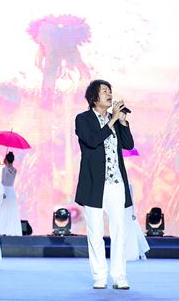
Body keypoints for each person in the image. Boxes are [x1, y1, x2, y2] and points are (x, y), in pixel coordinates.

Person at [74, 79, 134, 290]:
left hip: (116, 182)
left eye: (110, 91)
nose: (109, 94)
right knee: (95, 231)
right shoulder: (83, 119)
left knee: (119, 231)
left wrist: (122, 121)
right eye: (105, 91)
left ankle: (119, 275)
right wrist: (112, 120)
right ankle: (99, 276)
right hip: (94, 184)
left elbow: (129, 145)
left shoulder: (115, 119)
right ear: (94, 97)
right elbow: (92, 141)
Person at [0, 152, 22, 236]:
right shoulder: (15, 170)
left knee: (3, 210)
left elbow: (3, 182)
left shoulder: (4, 169)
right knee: (11, 211)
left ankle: (2, 230)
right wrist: (6, 163)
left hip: (5, 190)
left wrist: (5, 164)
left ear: (6, 159)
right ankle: (11, 230)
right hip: (11, 191)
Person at [124, 182, 150, 261]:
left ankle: (141, 253)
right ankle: (139, 253)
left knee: (134, 231)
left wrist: (134, 212)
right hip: (121, 211)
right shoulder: (117, 185)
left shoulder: (130, 185)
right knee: (127, 232)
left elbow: (133, 199)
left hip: (128, 210)